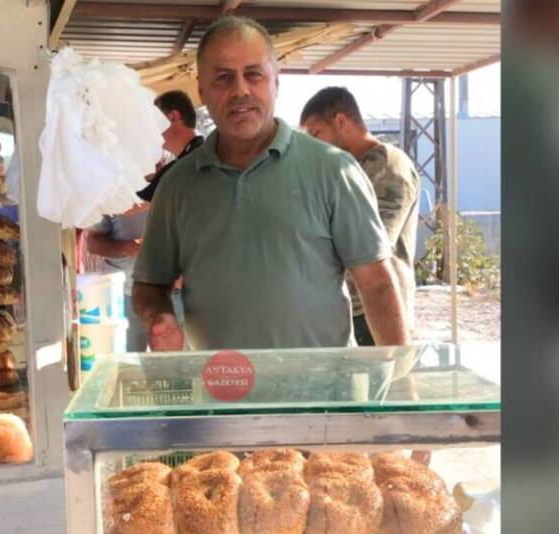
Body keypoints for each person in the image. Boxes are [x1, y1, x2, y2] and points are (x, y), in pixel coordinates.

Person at [132, 16, 410, 351]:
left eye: (254, 74)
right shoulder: (178, 185)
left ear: (276, 83)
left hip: (323, 396)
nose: (240, 90)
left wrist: (399, 376)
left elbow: (377, 282)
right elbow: (150, 284)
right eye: (223, 77)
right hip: (219, 394)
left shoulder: (333, 171)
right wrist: (159, 316)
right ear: (202, 91)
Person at [300, 87, 420, 346]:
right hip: (350, 308)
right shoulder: (346, 169)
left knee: (388, 384)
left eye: (316, 133)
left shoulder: (388, 165)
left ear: (341, 121)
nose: (312, 144)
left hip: (377, 310)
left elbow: (375, 245)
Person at [86, 90, 202, 351]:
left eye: (151, 123)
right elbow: (140, 202)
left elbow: (136, 204)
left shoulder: (196, 160)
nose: (148, 133)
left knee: (180, 370)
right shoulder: (186, 161)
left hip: (187, 292)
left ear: (173, 117)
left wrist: (89, 195)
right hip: (151, 291)